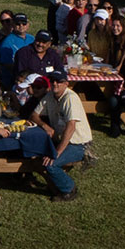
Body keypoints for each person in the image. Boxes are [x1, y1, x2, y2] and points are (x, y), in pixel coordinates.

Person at [29, 74, 91, 202]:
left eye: (59, 81)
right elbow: (34, 115)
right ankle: (52, 185)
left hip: (78, 143)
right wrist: (45, 125)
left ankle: (69, 189)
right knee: (34, 154)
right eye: (53, 81)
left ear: (66, 84)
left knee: (51, 163)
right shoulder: (49, 96)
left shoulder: (70, 98)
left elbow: (71, 127)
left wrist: (57, 152)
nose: (55, 84)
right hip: (59, 139)